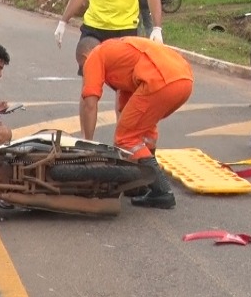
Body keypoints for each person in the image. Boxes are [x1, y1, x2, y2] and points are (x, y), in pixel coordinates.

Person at [76, 36, 194, 209]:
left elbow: (89, 104)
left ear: (84, 56)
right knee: (142, 131)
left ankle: (161, 190)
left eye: (81, 66)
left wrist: (87, 144)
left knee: (125, 138)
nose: (84, 71)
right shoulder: (120, 53)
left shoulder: (95, 55)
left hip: (160, 81)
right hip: (183, 80)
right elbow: (127, 103)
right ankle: (142, 183)